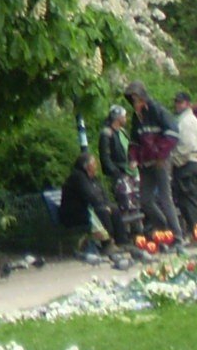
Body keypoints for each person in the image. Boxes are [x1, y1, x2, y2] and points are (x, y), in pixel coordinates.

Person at [124, 81, 180, 241]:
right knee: (146, 200)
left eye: (137, 98)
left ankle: (177, 236)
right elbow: (134, 141)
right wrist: (133, 158)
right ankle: (162, 226)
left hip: (160, 161)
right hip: (145, 163)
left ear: (143, 97)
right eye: (132, 99)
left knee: (165, 198)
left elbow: (173, 134)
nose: (135, 102)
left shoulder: (157, 111)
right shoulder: (136, 118)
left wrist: (160, 154)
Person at [60, 152, 129, 267]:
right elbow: (89, 196)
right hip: (74, 213)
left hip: (88, 210)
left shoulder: (93, 178)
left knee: (113, 209)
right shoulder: (77, 177)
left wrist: (107, 204)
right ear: (86, 166)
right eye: (93, 163)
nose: (96, 166)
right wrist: (103, 206)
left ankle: (121, 242)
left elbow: (103, 194)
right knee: (102, 211)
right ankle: (107, 244)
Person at [99, 106, 143, 243]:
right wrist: (115, 172)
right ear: (117, 117)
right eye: (124, 116)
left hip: (132, 171)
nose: (126, 118)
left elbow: (131, 148)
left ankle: (138, 232)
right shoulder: (107, 134)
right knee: (125, 203)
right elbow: (105, 157)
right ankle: (127, 235)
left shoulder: (123, 132)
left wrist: (135, 160)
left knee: (136, 202)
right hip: (120, 173)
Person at [170, 91, 197, 232]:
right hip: (194, 163)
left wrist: (175, 160)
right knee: (196, 199)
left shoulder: (186, 121)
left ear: (187, 104)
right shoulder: (190, 120)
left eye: (180, 102)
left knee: (188, 200)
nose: (177, 105)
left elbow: (186, 146)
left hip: (187, 163)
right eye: (176, 102)